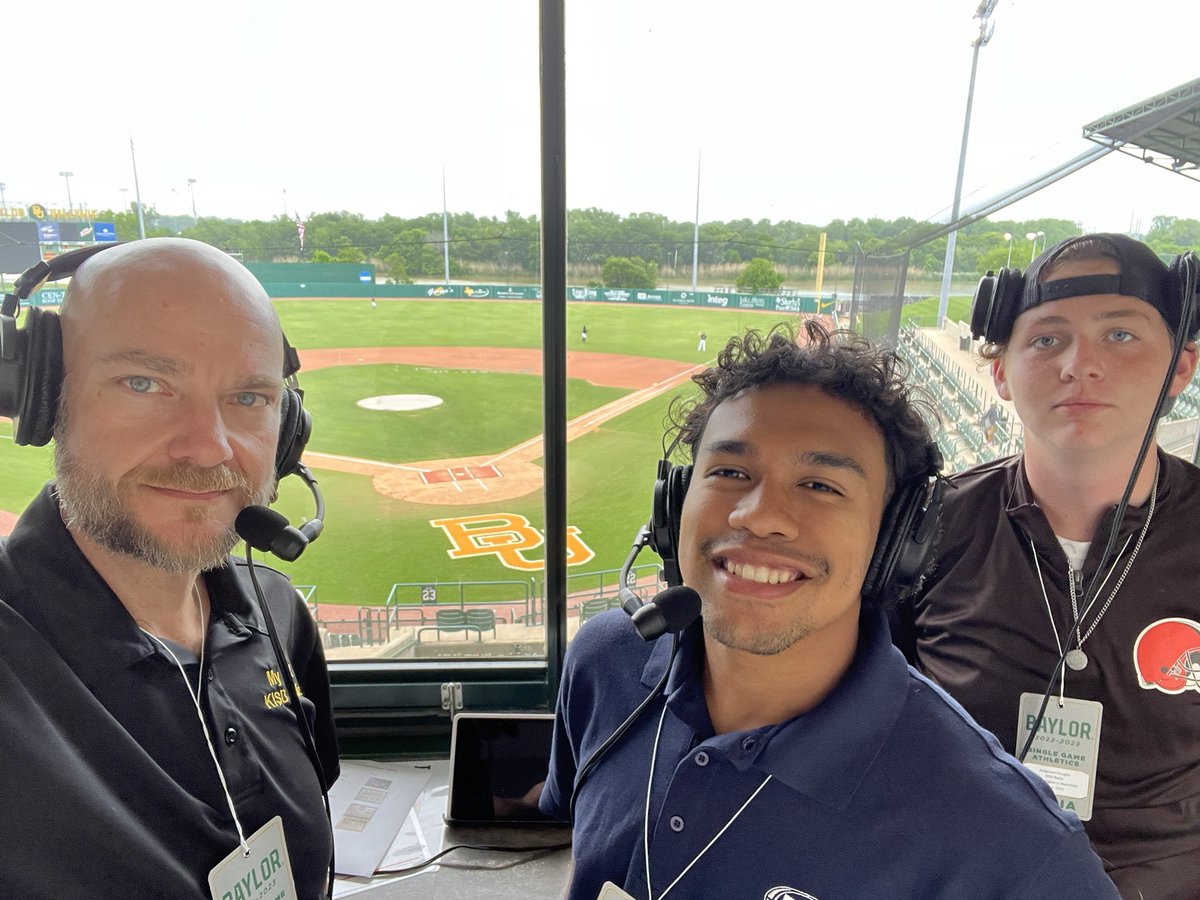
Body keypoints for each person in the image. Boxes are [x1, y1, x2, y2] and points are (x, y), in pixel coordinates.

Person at [541, 320, 1117, 899]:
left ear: (895, 541)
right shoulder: (606, 658)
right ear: (673, 507)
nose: (758, 515)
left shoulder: (1011, 844)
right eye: (730, 472)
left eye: (820, 485)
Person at [0, 239, 339, 899]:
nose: (207, 446)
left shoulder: (277, 614)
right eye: (144, 383)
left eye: (249, 397)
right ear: (43, 397)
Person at [892, 233, 1200, 899]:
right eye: (1046, 339)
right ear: (999, 372)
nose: (1079, 364)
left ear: (1182, 366)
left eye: (1119, 335)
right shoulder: (924, 527)